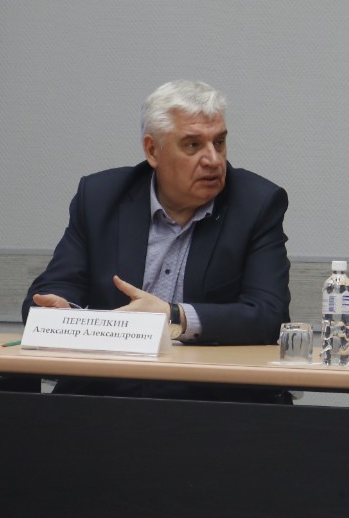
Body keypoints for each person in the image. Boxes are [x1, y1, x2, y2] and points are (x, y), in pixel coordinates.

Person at [23, 79, 292, 400]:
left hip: (211, 399)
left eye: (219, 142)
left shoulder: (256, 204)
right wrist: (62, 312)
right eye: (193, 145)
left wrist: (174, 316)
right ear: (153, 150)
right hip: (108, 394)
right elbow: (51, 292)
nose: (213, 159)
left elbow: (268, 315)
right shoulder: (100, 199)